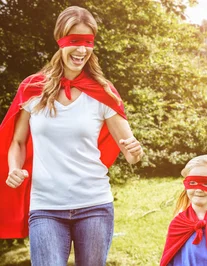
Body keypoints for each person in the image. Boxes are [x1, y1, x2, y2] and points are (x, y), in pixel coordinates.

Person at [0, 6, 143, 265]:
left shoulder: (103, 92)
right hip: (45, 206)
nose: (81, 50)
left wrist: (135, 151)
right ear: (60, 41)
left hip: (94, 204)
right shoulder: (33, 89)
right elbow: (18, 141)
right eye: (74, 41)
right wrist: (14, 167)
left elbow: (130, 152)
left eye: (87, 42)